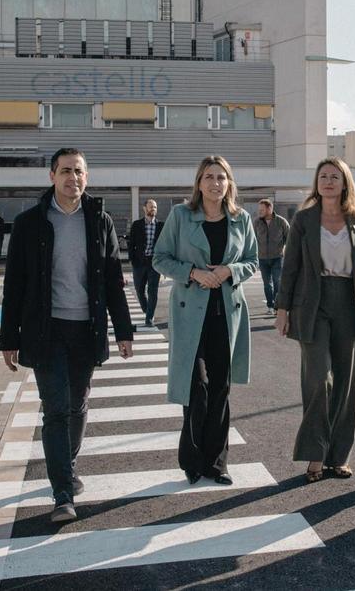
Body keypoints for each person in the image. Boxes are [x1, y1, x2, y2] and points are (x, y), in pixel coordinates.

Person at [0, 148, 135, 523]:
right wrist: (9, 338)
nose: (72, 178)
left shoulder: (100, 221)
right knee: (56, 409)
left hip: (86, 329)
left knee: (78, 405)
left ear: (86, 177)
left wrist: (124, 331)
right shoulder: (29, 223)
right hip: (46, 330)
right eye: (65, 171)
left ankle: (68, 466)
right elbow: (14, 284)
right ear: (52, 176)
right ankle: (62, 494)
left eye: (79, 171)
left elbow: (113, 279)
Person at [153, 156, 259, 486]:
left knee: (220, 389)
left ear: (229, 183)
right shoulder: (181, 216)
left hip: (227, 313)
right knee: (196, 386)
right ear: (199, 183)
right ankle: (192, 460)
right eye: (209, 177)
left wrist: (230, 270)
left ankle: (217, 463)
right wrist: (193, 273)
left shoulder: (241, 219)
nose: (215, 183)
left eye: (221, 177)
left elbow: (252, 260)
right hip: (190, 314)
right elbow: (160, 258)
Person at [275, 158, 355, 483]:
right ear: (317, 183)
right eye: (323, 176)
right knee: (318, 379)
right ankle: (315, 454)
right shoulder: (304, 220)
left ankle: (339, 456)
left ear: (345, 182)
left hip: (348, 303)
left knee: (345, 384)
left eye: (335, 176)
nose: (329, 181)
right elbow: (290, 267)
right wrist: (282, 309)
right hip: (312, 305)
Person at [129, 199, 164, 326]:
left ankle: (149, 317)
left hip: (154, 263)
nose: (153, 209)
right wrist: (132, 260)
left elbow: (166, 245)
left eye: (155, 207)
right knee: (139, 290)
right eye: (150, 207)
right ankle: (146, 310)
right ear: (144, 208)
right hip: (139, 263)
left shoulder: (161, 226)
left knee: (152, 291)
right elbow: (131, 244)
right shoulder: (136, 225)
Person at [255, 198, 290, 315]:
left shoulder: (281, 222)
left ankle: (277, 307)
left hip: (277, 258)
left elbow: (289, 238)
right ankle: (270, 306)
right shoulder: (257, 222)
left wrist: (286, 252)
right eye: (259, 209)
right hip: (262, 258)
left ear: (269, 208)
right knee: (267, 284)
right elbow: (253, 240)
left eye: (262, 209)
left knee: (277, 282)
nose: (259, 212)